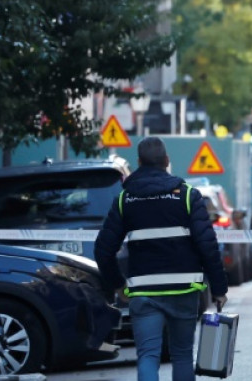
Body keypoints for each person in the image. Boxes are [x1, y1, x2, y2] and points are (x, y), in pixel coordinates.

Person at [94, 137, 229, 381]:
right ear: (167, 161)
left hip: (144, 294)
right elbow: (208, 246)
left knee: (147, 356)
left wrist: (118, 284)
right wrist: (219, 289)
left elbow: (103, 250)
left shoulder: (126, 201)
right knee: (182, 355)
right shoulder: (188, 197)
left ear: (138, 162)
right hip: (183, 290)